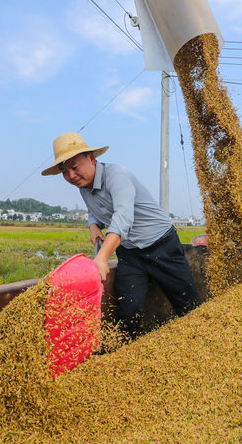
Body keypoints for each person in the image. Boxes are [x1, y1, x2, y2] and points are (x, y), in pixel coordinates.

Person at [42, 132, 200, 339]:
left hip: (161, 246)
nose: (71, 176)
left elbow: (123, 217)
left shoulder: (117, 176)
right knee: (128, 310)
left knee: (187, 304)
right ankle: (128, 352)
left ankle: (199, 341)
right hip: (131, 253)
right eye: (64, 172)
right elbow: (96, 209)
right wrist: (93, 225)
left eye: (74, 167)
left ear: (91, 159)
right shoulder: (84, 186)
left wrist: (101, 258)